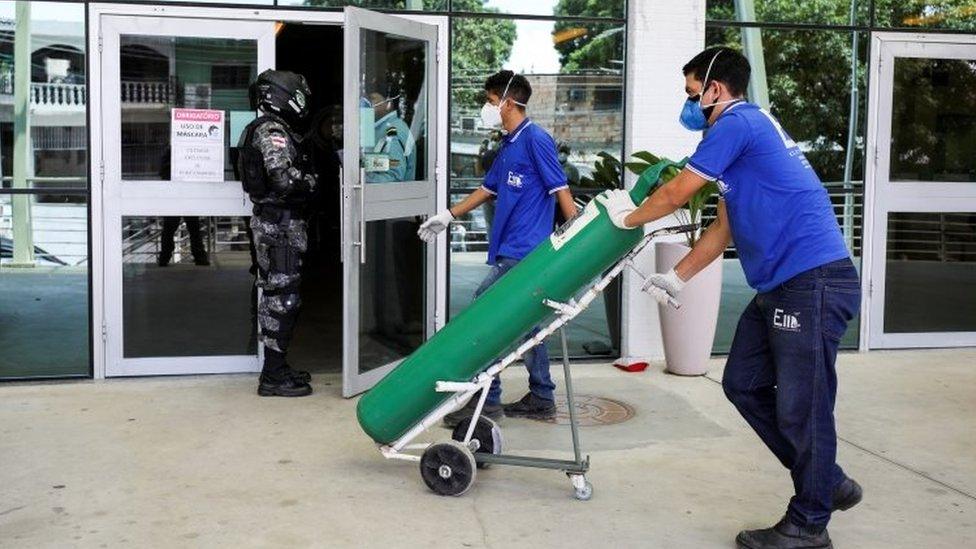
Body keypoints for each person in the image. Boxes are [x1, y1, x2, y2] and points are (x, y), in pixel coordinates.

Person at [598, 47, 862, 549]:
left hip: (813, 282)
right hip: (783, 285)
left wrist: (622, 221)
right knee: (742, 382)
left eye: (692, 93)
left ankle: (809, 523)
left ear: (716, 89)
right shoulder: (744, 138)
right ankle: (826, 481)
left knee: (802, 408)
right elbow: (723, 228)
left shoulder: (737, 124)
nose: (690, 104)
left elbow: (676, 193)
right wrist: (677, 276)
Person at [418, 70, 578, 425]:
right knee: (528, 325)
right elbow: (488, 189)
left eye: (490, 101)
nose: (487, 108)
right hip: (510, 249)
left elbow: (560, 189)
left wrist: (573, 246)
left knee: (486, 317)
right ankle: (542, 395)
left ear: (507, 101)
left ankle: (486, 401)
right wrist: (448, 214)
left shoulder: (536, 139)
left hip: (527, 253)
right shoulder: (508, 143)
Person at [236, 69, 317, 397]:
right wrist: (311, 182)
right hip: (279, 227)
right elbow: (283, 182)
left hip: (277, 225)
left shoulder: (264, 128)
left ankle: (277, 367)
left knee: (280, 296)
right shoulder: (272, 131)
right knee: (282, 299)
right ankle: (273, 374)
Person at [365, 92, 416, 183]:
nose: (367, 103)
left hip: (392, 195)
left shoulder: (392, 130)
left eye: (372, 99)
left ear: (389, 103)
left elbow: (394, 177)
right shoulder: (376, 128)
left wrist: (362, 179)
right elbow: (378, 163)